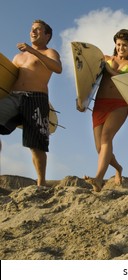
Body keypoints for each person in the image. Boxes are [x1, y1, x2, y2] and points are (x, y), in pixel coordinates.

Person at [0, 19, 62, 187]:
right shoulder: (18, 56)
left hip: (36, 98)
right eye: (32, 29)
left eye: (38, 29)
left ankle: (41, 182)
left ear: (47, 35)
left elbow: (58, 68)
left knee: (36, 145)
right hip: (13, 97)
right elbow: (8, 78)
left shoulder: (50, 53)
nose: (33, 32)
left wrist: (34, 52)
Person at [83, 29, 128, 192]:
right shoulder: (105, 58)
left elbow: (127, 81)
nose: (120, 48)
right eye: (118, 44)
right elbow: (89, 78)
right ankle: (118, 168)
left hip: (119, 104)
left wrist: (109, 70)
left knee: (106, 137)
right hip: (100, 104)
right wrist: (82, 99)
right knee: (99, 147)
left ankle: (98, 179)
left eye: (124, 45)